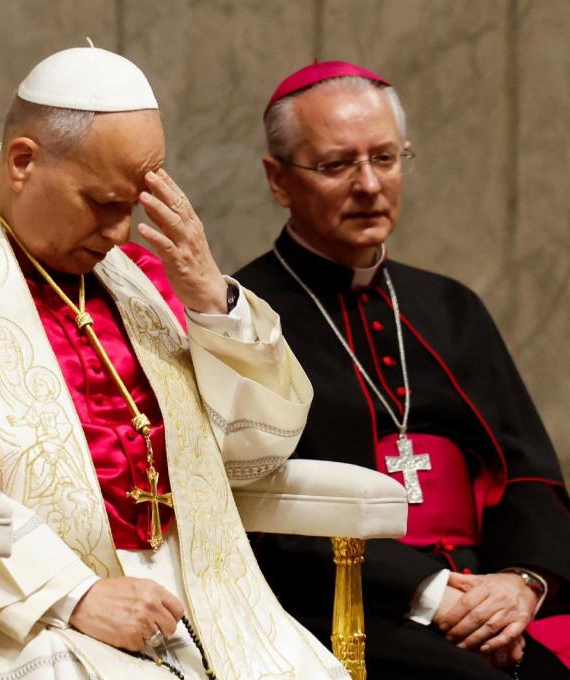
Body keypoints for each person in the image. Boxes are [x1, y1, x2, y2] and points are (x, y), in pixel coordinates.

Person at [0, 46, 349, 679]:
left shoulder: (139, 283)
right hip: (2, 613)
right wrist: (71, 593)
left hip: (191, 605)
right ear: (23, 162)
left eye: (133, 206)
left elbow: (255, 452)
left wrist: (210, 300)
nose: (121, 232)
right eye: (102, 202)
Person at [235, 60, 570, 679]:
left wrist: (521, 585)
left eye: (385, 159)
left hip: (490, 596)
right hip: (351, 604)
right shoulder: (243, 319)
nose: (369, 185)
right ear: (279, 180)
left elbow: (530, 474)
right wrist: (434, 593)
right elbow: (263, 511)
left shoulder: (451, 305)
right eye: (337, 165)